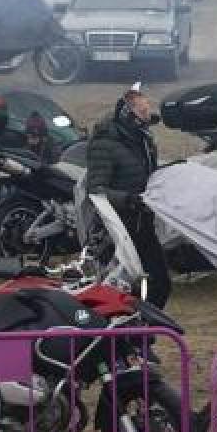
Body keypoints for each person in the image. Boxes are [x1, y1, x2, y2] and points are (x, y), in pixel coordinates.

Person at [85, 83, 171, 308]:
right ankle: (125, 335)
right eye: (141, 112)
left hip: (143, 222)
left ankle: (142, 334)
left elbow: (145, 176)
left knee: (159, 283)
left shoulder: (143, 140)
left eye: (147, 111)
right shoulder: (105, 143)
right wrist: (128, 200)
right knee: (121, 289)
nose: (146, 117)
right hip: (116, 229)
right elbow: (96, 189)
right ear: (128, 114)